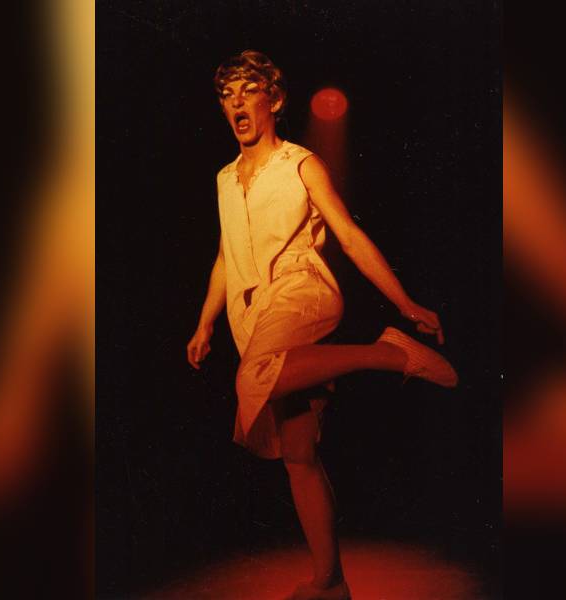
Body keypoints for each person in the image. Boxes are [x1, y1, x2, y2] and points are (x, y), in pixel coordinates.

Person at [186, 50, 458, 600]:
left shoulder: (302, 164)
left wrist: (405, 303)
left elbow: (349, 237)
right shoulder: (224, 179)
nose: (237, 102)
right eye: (228, 94)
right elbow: (225, 256)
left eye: (249, 90)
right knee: (299, 453)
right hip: (252, 313)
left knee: (253, 376)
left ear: (275, 101)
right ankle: (331, 583)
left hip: (303, 291)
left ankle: (387, 352)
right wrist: (205, 323)